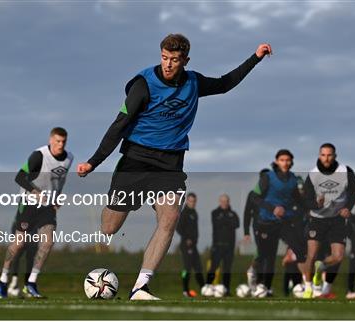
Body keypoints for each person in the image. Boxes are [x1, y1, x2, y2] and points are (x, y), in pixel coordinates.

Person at [76, 34, 272, 300]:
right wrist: (93, 161)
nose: (168, 64)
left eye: (175, 60)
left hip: (170, 164)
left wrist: (256, 58)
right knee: (109, 228)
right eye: (164, 58)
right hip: (136, 160)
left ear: (185, 60)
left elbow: (225, 84)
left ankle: (140, 287)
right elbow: (118, 125)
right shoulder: (143, 84)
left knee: (170, 218)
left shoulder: (193, 82)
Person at [0, 127, 73, 299]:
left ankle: (31, 282)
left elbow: (60, 180)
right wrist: (35, 192)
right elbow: (19, 177)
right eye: (57, 141)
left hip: (47, 208)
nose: (60, 145)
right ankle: (2, 279)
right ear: (51, 140)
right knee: (19, 244)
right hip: (28, 204)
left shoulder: (69, 158)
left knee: (48, 241)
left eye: (63, 142)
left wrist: (56, 198)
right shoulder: (39, 155)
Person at [301, 143, 355, 299]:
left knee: (338, 257)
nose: (326, 158)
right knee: (312, 255)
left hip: (337, 220)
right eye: (323, 155)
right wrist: (316, 204)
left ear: (335, 156)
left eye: (329, 155)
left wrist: (348, 207)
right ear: (319, 155)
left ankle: (320, 269)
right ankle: (308, 287)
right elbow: (305, 199)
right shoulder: (313, 174)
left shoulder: (345, 171)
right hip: (317, 219)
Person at [249, 149, 307, 297]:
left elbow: (299, 200)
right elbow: (254, 197)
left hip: (285, 221)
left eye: (288, 160)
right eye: (282, 160)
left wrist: (314, 205)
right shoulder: (267, 177)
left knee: (300, 249)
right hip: (266, 222)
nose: (285, 163)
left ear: (291, 162)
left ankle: (305, 285)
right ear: (276, 161)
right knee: (268, 256)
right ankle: (264, 286)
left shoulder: (294, 179)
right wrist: (273, 208)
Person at [202, 194, 240, 296]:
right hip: (217, 246)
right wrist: (227, 220)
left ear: (229, 201)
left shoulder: (233, 213)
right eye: (223, 201)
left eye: (226, 201)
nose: (224, 203)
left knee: (227, 269)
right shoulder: (215, 213)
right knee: (213, 267)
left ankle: (226, 289)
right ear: (220, 202)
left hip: (229, 246)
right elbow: (217, 223)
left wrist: (226, 220)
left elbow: (236, 224)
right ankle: (207, 287)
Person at [242, 168, 270, 289]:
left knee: (268, 254)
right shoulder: (253, 194)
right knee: (263, 252)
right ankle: (259, 281)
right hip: (258, 226)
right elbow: (247, 213)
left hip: (271, 226)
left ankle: (261, 282)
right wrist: (246, 232)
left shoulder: (272, 194)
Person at [175, 192, 205, 297]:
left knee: (198, 268)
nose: (192, 203)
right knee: (187, 268)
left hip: (194, 245)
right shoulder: (184, 213)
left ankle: (204, 289)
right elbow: (178, 227)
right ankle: (185, 290)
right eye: (191, 201)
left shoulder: (194, 213)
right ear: (187, 201)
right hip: (186, 245)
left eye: (194, 201)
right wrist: (187, 238)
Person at [7, 220, 38, 297]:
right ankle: (13, 284)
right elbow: (15, 226)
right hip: (20, 238)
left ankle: (27, 286)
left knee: (30, 262)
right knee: (15, 259)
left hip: (31, 240)